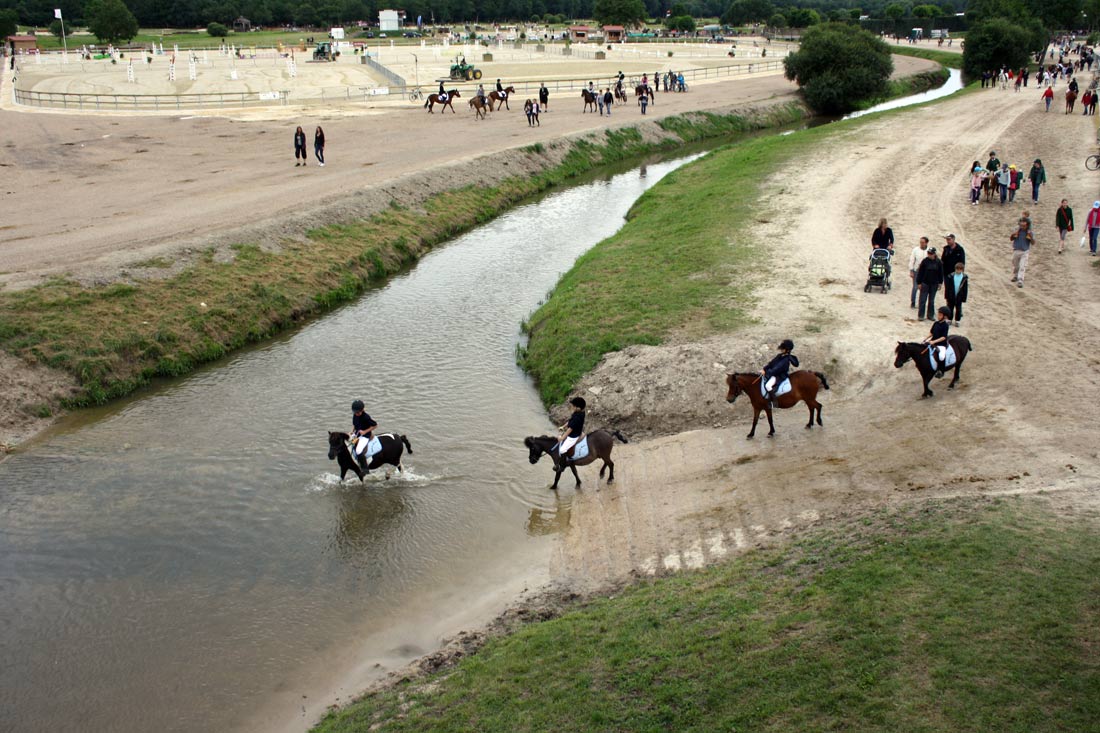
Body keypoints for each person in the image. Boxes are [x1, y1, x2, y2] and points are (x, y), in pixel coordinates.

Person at [761, 339, 798, 405]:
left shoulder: (786, 359)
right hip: (774, 373)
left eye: (783, 348)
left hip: (779, 376)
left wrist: (766, 372)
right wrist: (764, 369)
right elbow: (771, 363)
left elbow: (776, 369)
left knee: (768, 386)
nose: (781, 350)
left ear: (788, 350)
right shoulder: (779, 356)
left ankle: (774, 402)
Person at [922, 306, 952, 378]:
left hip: (941, 344)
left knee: (941, 356)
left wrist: (934, 341)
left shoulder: (945, 326)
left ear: (945, 317)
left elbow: (943, 337)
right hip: (932, 341)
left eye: (940, 315)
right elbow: (932, 333)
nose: (938, 316)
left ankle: (941, 370)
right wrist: (926, 338)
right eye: (938, 314)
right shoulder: (936, 323)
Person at [916, 246, 944, 320]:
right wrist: (919, 282)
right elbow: (920, 273)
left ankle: (930, 315)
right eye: (928, 253)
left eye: (931, 253)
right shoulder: (925, 261)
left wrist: (940, 282)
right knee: (922, 300)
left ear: (934, 254)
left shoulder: (939, 262)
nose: (929, 255)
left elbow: (941, 273)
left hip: (934, 284)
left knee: (931, 301)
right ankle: (921, 315)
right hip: (925, 283)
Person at [350, 399, 378, 470]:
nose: (356, 414)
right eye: (355, 412)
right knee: (349, 444)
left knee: (358, 450)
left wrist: (365, 431)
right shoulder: (355, 415)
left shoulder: (366, 417)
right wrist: (351, 431)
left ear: (362, 410)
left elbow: (375, 425)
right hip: (357, 434)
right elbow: (354, 424)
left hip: (365, 436)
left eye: (358, 412)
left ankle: (364, 468)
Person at [557, 397, 586, 462]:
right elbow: (570, 421)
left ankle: (565, 462)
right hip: (577, 431)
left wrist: (561, 438)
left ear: (578, 407)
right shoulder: (578, 413)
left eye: (573, 406)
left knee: (562, 450)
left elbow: (570, 429)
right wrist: (563, 426)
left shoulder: (577, 418)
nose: (572, 407)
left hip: (573, 436)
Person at [1010, 217, 1034, 287]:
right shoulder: (1017, 230)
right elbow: (1011, 238)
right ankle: (1015, 276)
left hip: (1025, 252)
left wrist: (1030, 237)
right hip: (1016, 250)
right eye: (1021, 223)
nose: (1022, 225)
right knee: (1016, 264)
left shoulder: (1029, 232)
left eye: (1024, 224)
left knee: (1022, 266)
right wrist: (1014, 235)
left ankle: (1020, 279)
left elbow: (1033, 243)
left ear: (1027, 225)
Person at [943, 261, 968, 326]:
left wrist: (964, 298)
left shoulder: (964, 278)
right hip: (951, 295)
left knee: (958, 309)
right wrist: (946, 296)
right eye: (957, 269)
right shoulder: (951, 276)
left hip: (959, 296)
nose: (958, 270)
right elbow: (947, 287)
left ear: (962, 270)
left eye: (960, 269)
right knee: (950, 307)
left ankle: (957, 320)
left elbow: (965, 289)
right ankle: (949, 319)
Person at [908, 236, 929, 308]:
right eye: (920, 242)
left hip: (926, 271)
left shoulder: (929, 251)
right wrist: (911, 270)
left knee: (924, 288)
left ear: (926, 243)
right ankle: (913, 302)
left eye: (923, 242)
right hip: (917, 270)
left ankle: (921, 303)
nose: (921, 244)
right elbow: (912, 260)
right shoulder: (915, 250)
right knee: (915, 287)